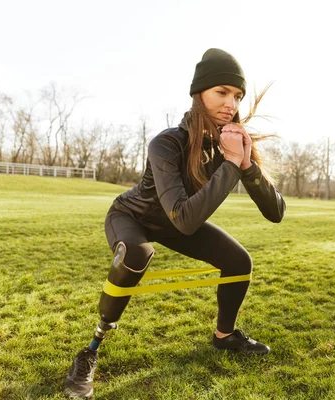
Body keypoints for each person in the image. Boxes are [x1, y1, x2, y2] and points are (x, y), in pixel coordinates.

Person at [64, 48, 286, 398]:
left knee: (238, 261)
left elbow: (276, 212)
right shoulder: (167, 143)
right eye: (222, 92)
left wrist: (244, 165)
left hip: (175, 221)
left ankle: (225, 336)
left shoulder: (228, 143)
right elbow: (184, 218)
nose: (231, 103)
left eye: (238, 95)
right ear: (199, 94)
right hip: (132, 216)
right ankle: (89, 351)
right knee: (136, 254)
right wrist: (230, 163)